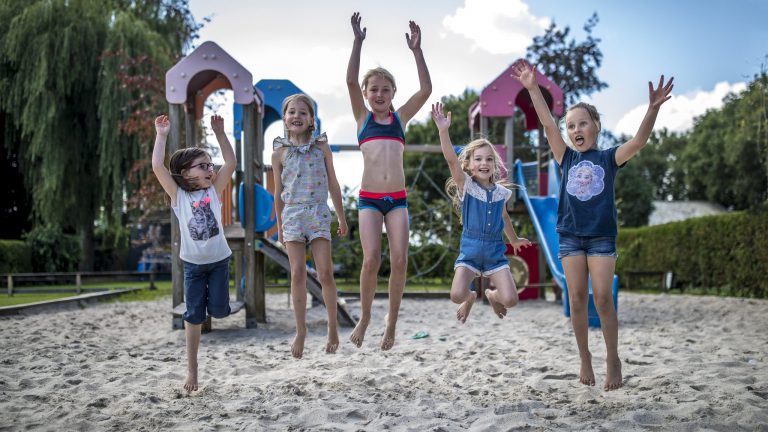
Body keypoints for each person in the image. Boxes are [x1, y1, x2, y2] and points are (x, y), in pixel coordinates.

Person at [511, 59, 673, 390]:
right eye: (571, 126)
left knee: (602, 297)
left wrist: (652, 108)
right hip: (570, 237)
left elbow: (639, 142)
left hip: (601, 238)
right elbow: (548, 125)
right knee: (577, 300)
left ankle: (613, 357)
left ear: (596, 125)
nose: (576, 131)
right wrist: (532, 88)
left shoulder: (609, 158)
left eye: (582, 124)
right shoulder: (565, 157)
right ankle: (585, 356)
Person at [345, 12, 432, 350]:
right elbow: (350, 81)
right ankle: (365, 316)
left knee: (399, 260)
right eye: (374, 89)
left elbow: (425, 89)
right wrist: (357, 42)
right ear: (366, 94)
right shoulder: (362, 118)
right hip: (368, 199)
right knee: (371, 260)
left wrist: (417, 51)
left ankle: (391, 322)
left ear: (393, 92)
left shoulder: (400, 118)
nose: (379, 94)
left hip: (396, 200)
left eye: (385, 89)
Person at [152, 114, 237, 392]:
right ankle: (192, 369)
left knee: (220, 311)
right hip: (193, 266)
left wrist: (220, 133)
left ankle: (217, 306)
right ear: (185, 173)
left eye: (210, 165)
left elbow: (231, 163)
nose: (210, 170)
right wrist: (161, 135)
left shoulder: (214, 190)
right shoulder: (179, 197)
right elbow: (157, 167)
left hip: (219, 262)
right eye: (203, 166)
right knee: (193, 315)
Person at [431, 102, 532, 324]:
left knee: (511, 299)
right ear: (469, 164)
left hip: (495, 252)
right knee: (456, 295)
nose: (484, 163)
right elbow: (450, 158)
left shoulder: (501, 193)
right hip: (470, 252)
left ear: (495, 166)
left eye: (489, 159)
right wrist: (443, 131)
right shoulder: (466, 186)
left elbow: (504, 217)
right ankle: (471, 297)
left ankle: (491, 295)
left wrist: (513, 239)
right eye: (478, 159)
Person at [271, 94, 348, 359]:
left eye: (303, 112)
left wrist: (341, 216)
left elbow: (334, 185)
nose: (297, 116)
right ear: (285, 117)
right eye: (292, 112)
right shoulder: (278, 153)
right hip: (292, 214)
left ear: (311, 119)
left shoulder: (322, 147)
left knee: (325, 273)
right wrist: (279, 226)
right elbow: (277, 193)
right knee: (297, 274)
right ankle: (301, 330)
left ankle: (332, 327)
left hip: (317, 211)